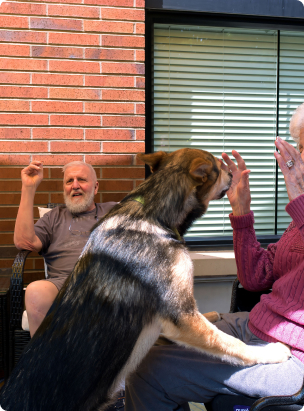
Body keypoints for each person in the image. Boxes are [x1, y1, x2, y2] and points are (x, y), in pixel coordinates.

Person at [124, 103, 304, 410]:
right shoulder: (297, 220)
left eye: (303, 146)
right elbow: (255, 278)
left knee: (147, 371)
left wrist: (299, 197)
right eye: (299, 146)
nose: (298, 157)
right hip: (256, 327)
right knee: (147, 345)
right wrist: (241, 211)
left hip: (294, 357)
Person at [14, 160, 116, 337]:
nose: (75, 185)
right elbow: (24, 242)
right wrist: (28, 188)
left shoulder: (114, 211)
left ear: (96, 187)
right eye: (69, 181)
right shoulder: (54, 217)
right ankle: (45, 362)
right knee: (35, 291)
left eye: (82, 180)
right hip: (62, 284)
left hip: (105, 281)